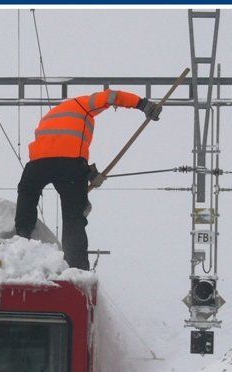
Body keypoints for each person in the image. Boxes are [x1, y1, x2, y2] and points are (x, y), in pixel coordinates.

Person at [14, 89, 163, 270]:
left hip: (37, 164)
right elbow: (111, 96)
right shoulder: (82, 104)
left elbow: (56, 147)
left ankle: (21, 240)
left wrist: (89, 172)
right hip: (70, 165)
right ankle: (76, 267)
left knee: (27, 193)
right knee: (73, 217)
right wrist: (142, 104)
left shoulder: (50, 116)